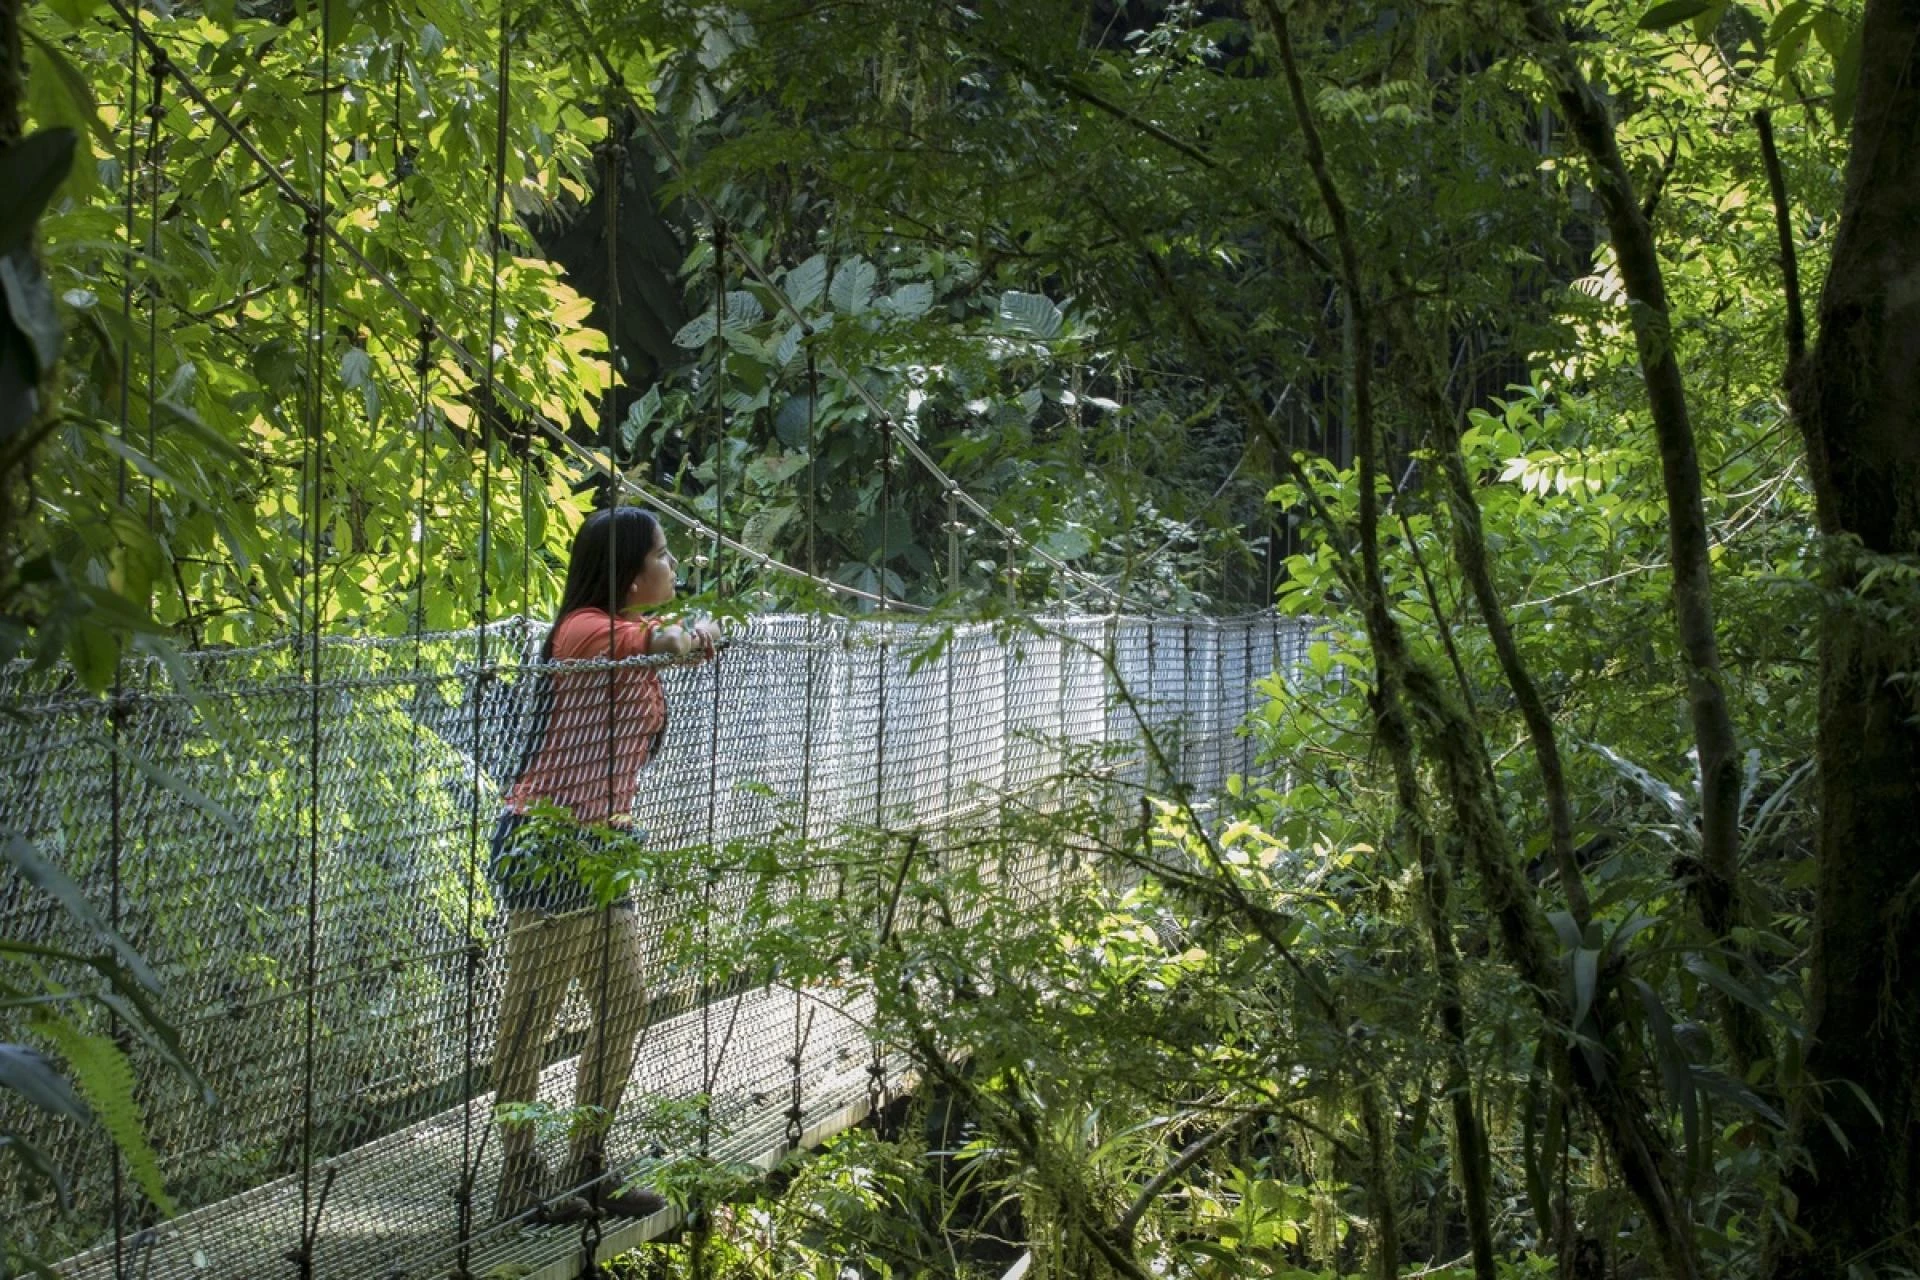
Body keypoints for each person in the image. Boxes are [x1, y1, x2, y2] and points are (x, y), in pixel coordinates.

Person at [489, 505, 719, 1223]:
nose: (672, 566)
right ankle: (519, 1180)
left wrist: (688, 637)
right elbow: (660, 641)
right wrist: (686, 636)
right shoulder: (583, 631)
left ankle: (584, 1170)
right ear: (629, 570)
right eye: (663, 554)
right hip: (547, 840)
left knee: (625, 1005)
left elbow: (670, 644)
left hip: (606, 845)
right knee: (532, 1016)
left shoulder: (635, 640)